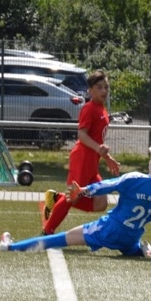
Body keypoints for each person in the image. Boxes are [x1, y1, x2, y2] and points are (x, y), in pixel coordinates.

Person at [2, 146, 151, 260]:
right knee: (130, 248)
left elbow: (106, 185)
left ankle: (9, 246)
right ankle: (141, 248)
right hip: (130, 236)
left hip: (109, 228)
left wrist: (83, 190)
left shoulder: (135, 179)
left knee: (58, 239)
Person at [40, 69, 120, 234]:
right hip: (82, 158)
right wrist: (98, 149)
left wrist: (107, 158)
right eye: (99, 87)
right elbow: (81, 134)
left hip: (92, 162)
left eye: (106, 87)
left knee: (101, 203)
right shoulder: (89, 108)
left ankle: (56, 198)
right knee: (72, 197)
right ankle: (46, 232)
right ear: (90, 90)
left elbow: (97, 140)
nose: (104, 91)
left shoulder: (102, 109)